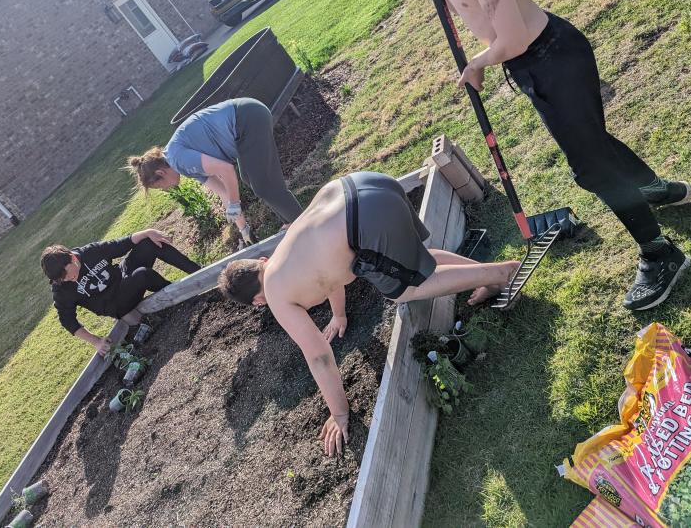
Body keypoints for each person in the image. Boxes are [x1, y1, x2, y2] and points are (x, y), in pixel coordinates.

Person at [372, 0, 691, 311]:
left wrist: (478, 62)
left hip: (548, 60)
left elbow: (514, 37)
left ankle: (660, 253)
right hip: (543, 59)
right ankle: (650, 188)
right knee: (594, 143)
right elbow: (470, 4)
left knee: (590, 166)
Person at [216, 171, 520, 455]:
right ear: (260, 260)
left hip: (365, 221)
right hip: (363, 185)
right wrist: (340, 316)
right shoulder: (286, 253)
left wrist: (340, 414)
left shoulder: (276, 296)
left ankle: (500, 274)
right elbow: (330, 279)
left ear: (257, 302)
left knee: (404, 290)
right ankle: (491, 278)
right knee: (416, 264)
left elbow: (319, 357)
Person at [128, 98, 302, 245]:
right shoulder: (180, 162)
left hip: (247, 119)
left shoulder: (178, 159)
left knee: (263, 185)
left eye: (160, 186)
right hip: (245, 122)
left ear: (160, 173)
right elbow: (223, 192)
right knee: (250, 179)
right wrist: (244, 230)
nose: (166, 189)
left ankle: (302, 224)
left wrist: (235, 204)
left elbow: (226, 170)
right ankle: (290, 221)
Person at [41, 228, 201, 355]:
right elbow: (67, 320)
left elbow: (120, 245)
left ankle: (200, 273)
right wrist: (96, 341)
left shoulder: (88, 252)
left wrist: (147, 232)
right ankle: (182, 294)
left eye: (68, 273)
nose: (68, 278)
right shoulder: (60, 287)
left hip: (122, 277)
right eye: (62, 279)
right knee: (142, 275)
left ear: (73, 258)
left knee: (149, 243)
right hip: (116, 304)